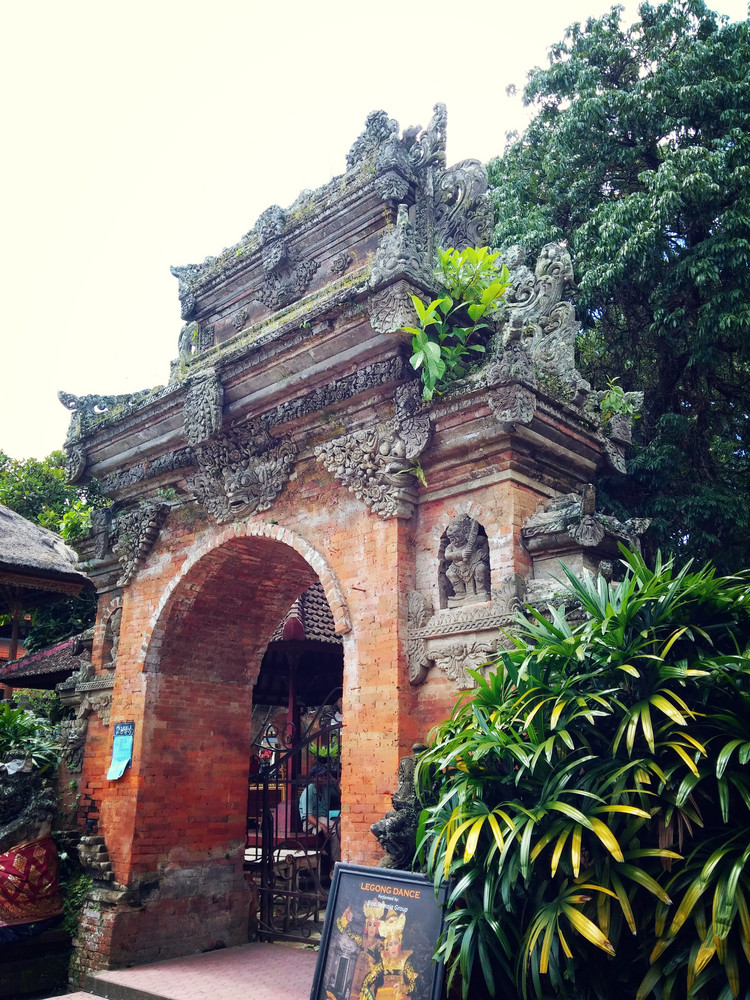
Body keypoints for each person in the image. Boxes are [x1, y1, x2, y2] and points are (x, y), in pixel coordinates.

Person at [359, 910, 418, 1000]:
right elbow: (370, 977)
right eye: (390, 944)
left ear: (400, 943)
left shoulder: (404, 961)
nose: (393, 947)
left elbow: (413, 984)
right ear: (386, 946)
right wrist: (362, 991)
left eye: (395, 943)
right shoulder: (384, 961)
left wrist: (403, 988)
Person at [336, 898, 385, 1000]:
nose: (372, 928)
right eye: (370, 924)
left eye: (374, 925)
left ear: (377, 927)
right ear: (366, 925)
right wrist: (346, 920)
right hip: (356, 973)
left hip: (368, 976)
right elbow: (348, 932)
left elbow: (384, 960)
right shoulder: (361, 939)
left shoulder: (379, 943)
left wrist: (374, 971)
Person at [298, 762, 340, 866]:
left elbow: (339, 794)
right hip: (311, 821)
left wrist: (333, 780)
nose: (324, 777)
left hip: (323, 819)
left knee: (339, 826)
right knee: (334, 828)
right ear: (313, 778)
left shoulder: (326, 788)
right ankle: (335, 863)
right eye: (321, 776)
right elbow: (308, 816)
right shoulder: (309, 791)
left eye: (325, 775)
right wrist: (322, 826)